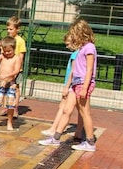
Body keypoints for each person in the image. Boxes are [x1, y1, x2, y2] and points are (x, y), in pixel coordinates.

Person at [39, 19, 97, 151]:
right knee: (66, 110)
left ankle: (90, 142)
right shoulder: (82, 48)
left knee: (85, 113)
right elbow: (75, 68)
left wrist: (85, 88)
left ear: (81, 33)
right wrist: (69, 85)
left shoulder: (89, 48)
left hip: (83, 83)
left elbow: (89, 69)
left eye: (74, 34)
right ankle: (55, 138)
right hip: (76, 83)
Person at [40, 34, 84, 141]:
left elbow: (73, 72)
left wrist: (66, 86)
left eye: (68, 44)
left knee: (64, 107)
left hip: (72, 86)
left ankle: (54, 129)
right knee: (80, 110)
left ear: (74, 42)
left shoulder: (75, 55)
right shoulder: (79, 53)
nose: (67, 46)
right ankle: (78, 131)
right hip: (75, 85)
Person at [0, 36, 21, 131]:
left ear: (14, 49)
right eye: (5, 51)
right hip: (0, 83)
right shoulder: (2, 56)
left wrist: (7, 76)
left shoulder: (16, 58)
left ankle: (9, 123)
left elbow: (16, 70)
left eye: (9, 51)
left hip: (10, 83)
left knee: (10, 105)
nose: (7, 53)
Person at [5, 16, 26, 117]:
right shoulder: (7, 40)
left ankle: (15, 108)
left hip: (16, 69)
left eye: (11, 29)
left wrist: (17, 69)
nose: (9, 31)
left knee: (16, 89)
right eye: (8, 29)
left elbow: (21, 56)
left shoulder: (20, 41)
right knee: (6, 88)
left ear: (17, 29)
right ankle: (7, 107)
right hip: (7, 69)